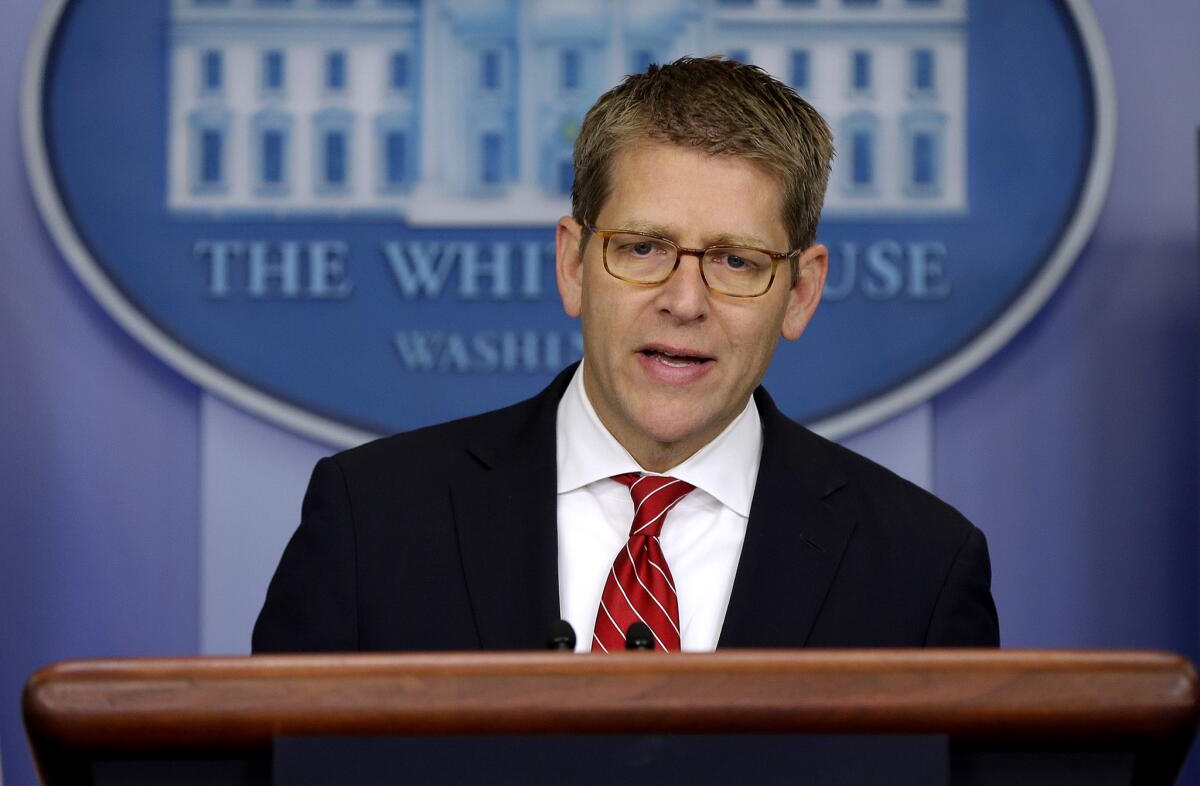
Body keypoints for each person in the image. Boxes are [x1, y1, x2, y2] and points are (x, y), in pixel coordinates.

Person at [253, 57, 998, 654]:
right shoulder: (373, 519)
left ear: (800, 292)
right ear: (573, 265)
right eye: (642, 248)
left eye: (737, 262)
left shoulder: (919, 568)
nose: (684, 300)